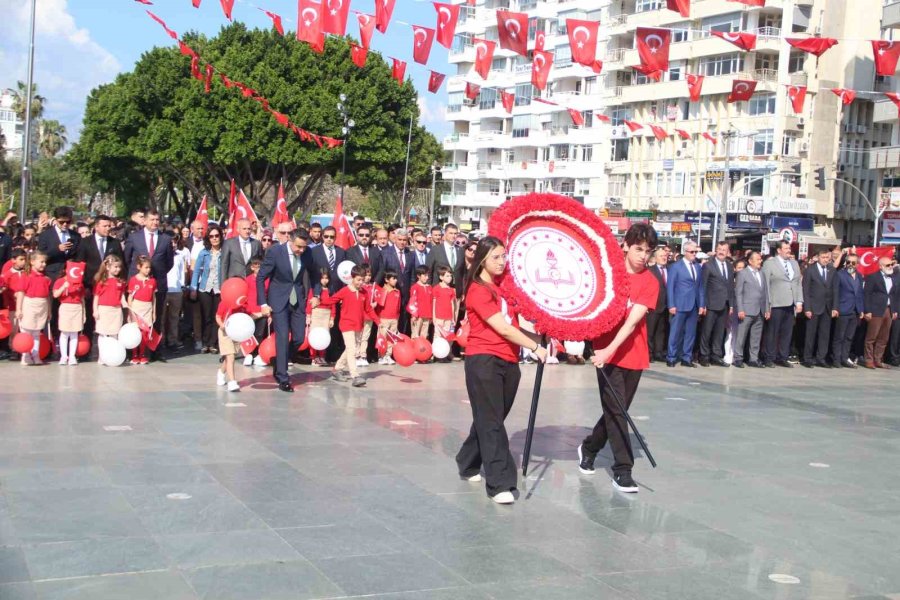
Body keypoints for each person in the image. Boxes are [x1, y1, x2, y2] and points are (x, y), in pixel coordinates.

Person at [455, 236, 547, 505]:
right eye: (496, 257)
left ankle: (467, 460)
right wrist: (534, 347)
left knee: (490, 418)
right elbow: (502, 328)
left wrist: (542, 335)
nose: (501, 262)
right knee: (492, 421)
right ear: (482, 259)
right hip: (484, 360)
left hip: (509, 360)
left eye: (504, 256)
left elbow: (514, 326)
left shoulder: (503, 290)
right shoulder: (478, 290)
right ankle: (500, 483)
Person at [576, 223, 658, 494]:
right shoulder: (609, 274)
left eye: (647, 251)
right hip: (605, 354)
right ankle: (623, 469)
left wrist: (608, 350)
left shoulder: (650, 282)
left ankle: (589, 447)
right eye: (638, 249)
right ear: (625, 245)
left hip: (631, 353)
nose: (643, 256)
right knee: (617, 410)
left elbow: (632, 323)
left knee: (617, 409)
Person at [257, 230, 321, 393]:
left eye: (304, 247)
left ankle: (279, 361)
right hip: (278, 300)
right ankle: (283, 377)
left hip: (298, 300)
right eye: (298, 246)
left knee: (299, 338)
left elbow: (315, 274)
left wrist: (317, 294)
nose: (301, 250)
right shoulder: (275, 252)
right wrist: (263, 303)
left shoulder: (307, 253)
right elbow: (261, 277)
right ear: (290, 241)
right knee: (283, 336)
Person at [318, 264, 380, 387]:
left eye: (362, 280)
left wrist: (378, 322)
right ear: (352, 278)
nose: (361, 282)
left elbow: (368, 309)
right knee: (352, 349)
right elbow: (332, 300)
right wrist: (318, 301)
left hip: (358, 325)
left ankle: (337, 369)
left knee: (350, 349)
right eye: (358, 280)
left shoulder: (364, 292)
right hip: (346, 324)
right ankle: (355, 376)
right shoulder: (345, 291)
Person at [124, 209, 174, 335]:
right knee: (135, 318)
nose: (155, 222)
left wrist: (156, 273)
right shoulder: (134, 237)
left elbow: (169, 263)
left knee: (156, 317)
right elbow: (127, 259)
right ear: (145, 221)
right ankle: (135, 350)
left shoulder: (166, 239)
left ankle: (153, 351)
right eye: (152, 219)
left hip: (158, 284)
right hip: (137, 285)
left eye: (157, 220)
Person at [761, 240, 803, 368]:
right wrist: (767, 305)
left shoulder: (794, 263)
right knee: (773, 332)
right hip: (776, 302)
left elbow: (797, 283)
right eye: (786, 248)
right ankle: (769, 357)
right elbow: (766, 285)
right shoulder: (770, 263)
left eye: (789, 248)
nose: (789, 250)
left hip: (790, 303)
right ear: (779, 250)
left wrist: (799, 301)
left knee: (787, 331)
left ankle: (783, 356)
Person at [666, 241, 703, 367]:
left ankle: (686, 357)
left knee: (690, 333)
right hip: (679, 304)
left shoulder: (698, 266)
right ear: (685, 252)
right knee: (675, 332)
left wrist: (702, 304)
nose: (694, 254)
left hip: (693, 305)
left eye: (696, 252)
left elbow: (700, 287)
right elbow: (670, 287)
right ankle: (671, 357)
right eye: (692, 252)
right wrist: (671, 304)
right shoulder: (676, 267)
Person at [698, 241, 735, 367]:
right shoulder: (708, 266)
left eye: (724, 249)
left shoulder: (730, 266)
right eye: (719, 249)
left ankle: (716, 355)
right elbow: (703, 286)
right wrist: (702, 305)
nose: (721, 252)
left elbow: (730, 286)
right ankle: (704, 355)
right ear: (715, 250)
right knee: (707, 331)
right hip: (711, 304)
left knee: (719, 332)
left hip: (724, 304)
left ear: (727, 251)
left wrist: (731, 305)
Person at [190, 226, 224, 354]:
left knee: (217, 316)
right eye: (211, 236)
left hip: (219, 289)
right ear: (208, 238)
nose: (214, 239)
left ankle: (213, 343)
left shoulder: (224, 252)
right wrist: (193, 288)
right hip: (205, 288)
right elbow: (196, 271)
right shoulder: (203, 252)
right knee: (206, 316)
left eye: (217, 236)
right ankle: (205, 342)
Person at [733, 251, 770, 368]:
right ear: (750, 261)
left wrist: (767, 309)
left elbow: (765, 292)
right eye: (758, 259)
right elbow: (738, 292)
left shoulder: (762, 273)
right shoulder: (743, 273)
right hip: (747, 309)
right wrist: (740, 309)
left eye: (760, 259)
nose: (760, 261)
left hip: (760, 309)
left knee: (756, 336)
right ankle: (738, 357)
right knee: (741, 335)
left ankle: (753, 358)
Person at [862, 255, 900, 369]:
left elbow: (893, 295)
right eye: (888, 265)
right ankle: (868, 359)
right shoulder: (873, 277)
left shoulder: (893, 278)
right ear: (881, 266)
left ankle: (878, 359)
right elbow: (867, 294)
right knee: (871, 336)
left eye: (891, 265)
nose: (890, 267)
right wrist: (867, 310)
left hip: (888, 309)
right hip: (876, 310)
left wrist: (894, 310)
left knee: (884, 337)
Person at [14, 251, 51, 365]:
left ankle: (35, 355)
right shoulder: (26, 276)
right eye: (41, 262)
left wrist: (49, 310)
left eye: (45, 262)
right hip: (29, 304)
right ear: (32, 262)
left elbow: (48, 296)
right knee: (26, 331)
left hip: (42, 305)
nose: (43, 264)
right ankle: (25, 355)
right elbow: (20, 293)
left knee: (36, 332)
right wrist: (19, 309)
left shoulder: (46, 279)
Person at [801, 249, 836, 368]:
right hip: (814, 306)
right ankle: (807, 358)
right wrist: (807, 308)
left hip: (827, 307)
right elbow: (806, 290)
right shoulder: (810, 270)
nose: (826, 260)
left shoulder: (832, 270)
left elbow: (835, 290)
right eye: (823, 257)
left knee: (824, 334)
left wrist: (835, 307)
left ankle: (821, 358)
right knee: (810, 334)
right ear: (818, 257)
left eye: (827, 257)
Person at [92, 255, 128, 364]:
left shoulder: (120, 281)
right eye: (115, 267)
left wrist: (124, 303)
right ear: (108, 267)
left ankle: (113, 356)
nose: (118, 269)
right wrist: (95, 310)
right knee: (103, 334)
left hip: (116, 310)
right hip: (104, 310)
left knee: (114, 333)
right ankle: (102, 356)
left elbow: (121, 295)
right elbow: (96, 297)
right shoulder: (101, 282)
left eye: (119, 267)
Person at [832, 253, 865, 368]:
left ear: (857, 264)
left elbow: (860, 294)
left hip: (855, 310)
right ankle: (836, 358)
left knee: (849, 337)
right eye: (848, 262)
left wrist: (861, 309)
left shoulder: (860, 276)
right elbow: (835, 292)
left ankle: (844, 358)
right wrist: (835, 308)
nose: (851, 264)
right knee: (839, 336)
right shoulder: (840, 275)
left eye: (853, 262)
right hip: (843, 309)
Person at [52, 268, 85, 366]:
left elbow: (82, 299)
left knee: (74, 332)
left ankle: (72, 356)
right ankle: (63, 356)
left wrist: (84, 313)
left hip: (77, 307)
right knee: (64, 332)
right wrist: (63, 286)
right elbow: (55, 294)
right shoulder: (60, 281)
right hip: (65, 306)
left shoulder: (79, 282)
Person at [127, 256, 157, 365]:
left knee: (145, 332)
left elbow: (153, 297)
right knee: (136, 331)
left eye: (149, 268)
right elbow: (130, 297)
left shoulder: (152, 281)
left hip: (147, 307)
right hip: (136, 307)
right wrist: (130, 311)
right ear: (139, 267)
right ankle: (134, 354)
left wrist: (154, 311)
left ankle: (143, 354)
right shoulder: (133, 280)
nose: (148, 270)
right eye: (146, 267)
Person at [242, 257, 268, 367]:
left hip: (262, 312)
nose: (258, 268)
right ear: (252, 267)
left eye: (260, 266)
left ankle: (257, 354)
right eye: (255, 266)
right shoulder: (247, 280)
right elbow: (243, 296)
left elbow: (269, 295)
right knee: (249, 334)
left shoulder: (267, 280)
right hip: (250, 312)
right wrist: (245, 310)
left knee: (260, 334)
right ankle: (249, 354)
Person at [307, 268, 335, 367]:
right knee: (314, 336)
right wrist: (308, 316)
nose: (324, 280)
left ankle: (322, 356)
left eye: (326, 278)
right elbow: (309, 304)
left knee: (324, 336)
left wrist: (332, 318)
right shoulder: (314, 289)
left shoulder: (331, 290)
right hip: (316, 313)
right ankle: (313, 357)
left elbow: (333, 305)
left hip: (326, 315)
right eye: (322, 278)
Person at [215, 300, 245, 392]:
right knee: (230, 356)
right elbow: (218, 316)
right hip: (225, 332)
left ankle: (221, 372)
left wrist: (264, 314)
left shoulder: (243, 303)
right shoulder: (225, 302)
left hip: (236, 332)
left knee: (230, 357)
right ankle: (232, 382)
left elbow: (249, 315)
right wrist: (221, 325)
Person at [646, 247, 669, 362]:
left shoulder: (669, 269)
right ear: (655, 258)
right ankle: (648, 353)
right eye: (661, 256)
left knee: (661, 331)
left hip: (665, 306)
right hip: (653, 306)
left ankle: (658, 352)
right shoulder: (650, 270)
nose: (664, 258)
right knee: (650, 331)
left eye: (665, 255)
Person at [375, 270, 401, 365]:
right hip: (384, 319)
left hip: (394, 319)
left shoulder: (397, 292)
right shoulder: (382, 291)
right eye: (393, 278)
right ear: (386, 280)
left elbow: (398, 307)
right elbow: (378, 306)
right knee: (383, 337)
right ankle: (381, 356)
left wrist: (397, 318)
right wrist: (379, 319)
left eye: (396, 278)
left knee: (391, 338)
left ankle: (388, 355)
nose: (395, 280)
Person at [432, 265, 458, 359]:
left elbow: (452, 305)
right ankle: (435, 353)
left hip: (448, 317)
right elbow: (434, 303)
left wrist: (453, 318)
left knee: (448, 336)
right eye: (447, 276)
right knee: (437, 335)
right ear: (441, 277)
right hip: (439, 317)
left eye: (450, 276)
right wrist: (434, 316)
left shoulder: (451, 290)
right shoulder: (436, 288)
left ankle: (447, 353)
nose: (450, 278)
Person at [409, 266, 432, 339]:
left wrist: (431, 316)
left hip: (427, 315)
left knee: (424, 336)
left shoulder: (429, 287)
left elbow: (431, 302)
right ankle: (414, 350)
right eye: (425, 275)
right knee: (415, 336)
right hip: (417, 316)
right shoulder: (415, 287)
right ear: (418, 276)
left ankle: (422, 350)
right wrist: (413, 315)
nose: (427, 277)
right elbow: (412, 302)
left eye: (427, 275)